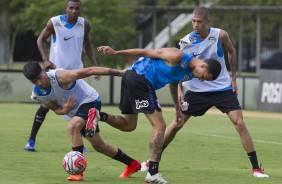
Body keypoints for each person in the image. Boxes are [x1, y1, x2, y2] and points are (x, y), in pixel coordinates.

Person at [140, 6, 269, 178]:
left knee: (239, 123)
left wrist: (234, 79)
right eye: (193, 21)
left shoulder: (220, 35)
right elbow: (179, 67)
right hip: (196, 89)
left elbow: (232, 51)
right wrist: (179, 89)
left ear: (208, 21)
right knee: (177, 123)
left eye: (199, 22)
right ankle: (153, 161)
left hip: (222, 88)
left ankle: (256, 168)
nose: (195, 25)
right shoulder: (186, 42)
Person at [96, 45, 221, 184]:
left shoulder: (191, 73)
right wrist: (116, 52)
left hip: (132, 79)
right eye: (204, 77)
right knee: (160, 126)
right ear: (203, 65)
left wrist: (177, 110)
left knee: (129, 125)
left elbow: (173, 84)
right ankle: (153, 174)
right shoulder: (177, 56)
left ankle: (98, 115)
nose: (201, 80)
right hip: (141, 78)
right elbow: (145, 52)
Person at [22, 61, 141, 181]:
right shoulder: (37, 94)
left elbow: (89, 71)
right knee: (99, 146)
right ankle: (132, 164)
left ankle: (78, 173)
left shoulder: (61, 77)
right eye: (34, 81)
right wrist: (64, 110)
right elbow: (55, 109)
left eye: (39, 78)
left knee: (73, 126)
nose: (39, 83)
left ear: (43, 70)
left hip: (90, 100)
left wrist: (119, 73)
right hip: (76, 113)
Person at [24, 0, 99, 152]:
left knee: (77, 106)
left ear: (80, 9)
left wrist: (95, 65)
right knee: (45, 105)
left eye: (77, 8)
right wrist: (45, 60)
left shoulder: (85, 24)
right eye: (71, 8)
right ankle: (31, 141)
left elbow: (88, 45)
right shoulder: (55, 22)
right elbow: (40, 40)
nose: (74, 11)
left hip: (76, 73)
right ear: (66, 8)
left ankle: (79, 143)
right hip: (56, 73)